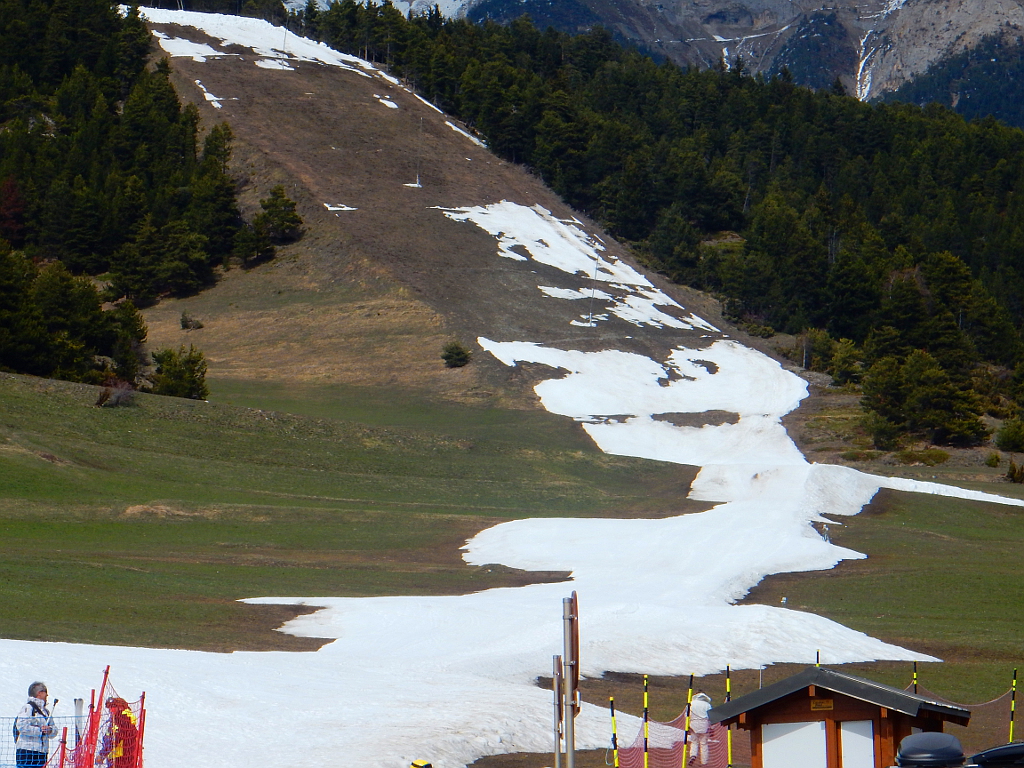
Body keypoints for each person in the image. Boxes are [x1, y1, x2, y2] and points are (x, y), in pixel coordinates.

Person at [14, 682, 54, 768]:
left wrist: (50, 730)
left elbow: (54, 729)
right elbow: (21, 726)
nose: (47, 695)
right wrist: (40, 731)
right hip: (27, 751)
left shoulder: (46, 712)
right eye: (45, 692)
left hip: (42, 752)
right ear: (39, 693)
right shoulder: (28, 708)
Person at [99, 697, 139, 768]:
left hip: (119, 759)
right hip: (122, 758)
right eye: (109, 708)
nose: (111, 710)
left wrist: (102, 754)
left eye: (113, 707)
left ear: (121, 707)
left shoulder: (121, 719)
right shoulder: (122, 719)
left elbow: (114, 740)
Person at [686, 691, 712, 765]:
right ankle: (704, 762)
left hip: (693, 724)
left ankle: (693, 755)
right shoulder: (707, 705)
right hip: (704, 724)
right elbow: (711, 716)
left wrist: (687, 725)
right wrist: (711, 726)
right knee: (704, 743)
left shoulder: (691, 703)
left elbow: (687, 715)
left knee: (694, 742)